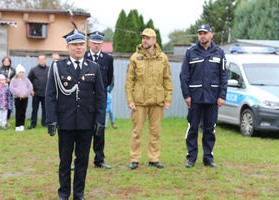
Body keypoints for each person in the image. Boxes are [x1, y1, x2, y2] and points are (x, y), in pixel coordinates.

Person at [45, 29, 106, 200]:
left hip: (87, 123)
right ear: (68, 47)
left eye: (81, 44)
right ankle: (64, 193)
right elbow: (50, 95)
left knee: (82, 161)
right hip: (65, 122)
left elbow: (101, 96)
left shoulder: (93, 67)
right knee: (65, 161)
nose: (79, 48)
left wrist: (101, 120)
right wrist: (51, 120)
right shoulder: (58, 67)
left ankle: (79, 194)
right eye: (75, 45)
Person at [180, 24, 228, 168]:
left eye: (205, 33)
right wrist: (186, 95)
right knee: (193, 128)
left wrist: (222, 95)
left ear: (211, 35)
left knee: (209, 129)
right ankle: (191, 158)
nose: (202, 35)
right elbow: (184, 76)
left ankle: (208, 158)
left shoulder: (219, 52)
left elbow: (223, 76)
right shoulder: (191, 52)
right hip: (194, 98)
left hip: (213, 98)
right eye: (200, 33)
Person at [125, 28, 173, 170]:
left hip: (157, 101)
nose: (144, 40)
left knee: (155, 131)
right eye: (143, 38)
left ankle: (154, 158)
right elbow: (129, 82)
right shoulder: (135, 57)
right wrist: (130, 100)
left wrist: (168, 99)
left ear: (154, 40)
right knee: (136, 131)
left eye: (148, 38)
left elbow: (167, 79)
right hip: (139, 101)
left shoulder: (163, 58)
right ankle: (134, 159)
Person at [84, 31, 114, 169]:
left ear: (102, 44)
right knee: (82, 130)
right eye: (94, 43)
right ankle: (81, 159)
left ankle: (99, 159)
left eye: (99, 43)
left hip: (100, 99)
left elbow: (110, 79)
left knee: (99, 129)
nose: (96, 45)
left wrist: (104, 93)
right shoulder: (83, 56)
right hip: (85, 99)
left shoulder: (108, 59)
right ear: (89, 43)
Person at [28, 54, 49, 129]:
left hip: (46, 94)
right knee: (34, 110)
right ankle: (33, 124)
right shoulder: (33, 70)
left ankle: (45, 123)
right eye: (40, 59)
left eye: (43, 59)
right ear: (38, 60)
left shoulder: (49, 69)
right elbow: (28, 81)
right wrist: (31, 90)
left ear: (45, 60)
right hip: (35, 94)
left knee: (45, 110)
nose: (41, 61)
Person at [9, 64, 33, 131]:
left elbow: (30, 87)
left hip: (25, 98)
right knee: (18, 111)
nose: (21, 74)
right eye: (20, 72)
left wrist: (25, 94)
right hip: (17, 98)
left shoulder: (26, 79)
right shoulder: (13, 80)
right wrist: (19, 94)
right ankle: (17, 125)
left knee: (23, 111)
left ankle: (22, 125)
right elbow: (11, 88)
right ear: (17, 73)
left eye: (23, 72)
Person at [0, 56, 15, 126]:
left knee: (9, 105)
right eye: (5, 61)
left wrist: (10, 80)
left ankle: (7, 120)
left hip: (9, 90)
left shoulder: (13, 70)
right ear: (3, 62)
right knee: (0, 105)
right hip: (1, 90)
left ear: (10, 62)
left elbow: (15, 79)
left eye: (8, 61)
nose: (6, 62)